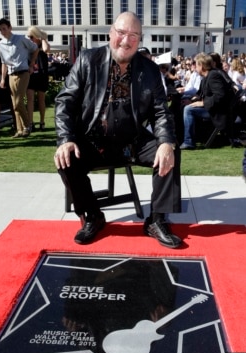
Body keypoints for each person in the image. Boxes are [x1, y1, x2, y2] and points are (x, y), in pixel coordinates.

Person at [54, 11, 182, 249]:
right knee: (66, 157)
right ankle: (93, 215)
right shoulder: (87, 60)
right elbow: (65, 101)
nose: (126, 40)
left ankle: (157, 219)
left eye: (133, 35)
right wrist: (65, 138)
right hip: (93, 140)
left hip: (132, 140)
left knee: (169, 151)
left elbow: (161, 111)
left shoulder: (150, 70)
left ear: (140, 39)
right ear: (110, 33)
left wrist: (165, 142)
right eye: (121, 32)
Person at [180, 52, 233, 150]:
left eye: (196, 64)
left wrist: (202, 103)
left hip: (219, 111)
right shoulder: (207, 77)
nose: (194, 66)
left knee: (188, 110)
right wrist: (192, 100)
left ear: (201, 65)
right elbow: (204, 94)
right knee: (185, 105)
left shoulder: (213, 76)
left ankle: (189, 142)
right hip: (213, 107)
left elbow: (220, 96)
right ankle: (185, 137)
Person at [0, 18, 38, 138]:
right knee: (14, 104)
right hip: (11, 75)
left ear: (10, 28)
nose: (2, 31)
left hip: (24, 72)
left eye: (4, 28)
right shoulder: (0, 44)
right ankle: (19, 130)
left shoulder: (21, 39)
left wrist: (31, 64)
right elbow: (4, 62)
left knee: (18, 102)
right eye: (0, 29)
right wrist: (3, 79)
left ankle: (27, 125)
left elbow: (35, 49)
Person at [26, 26, 50, 132]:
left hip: (41, 74)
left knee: (41, 99)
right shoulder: (28, 46)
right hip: (30, 74)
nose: (30, 39)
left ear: (36, 36)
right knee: (30, 99)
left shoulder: (42, 44)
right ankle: (30, 123)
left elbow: (46, 49)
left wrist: (43, 38)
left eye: (32, 36)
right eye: (29, 36)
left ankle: (42, 122)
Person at [0, 35, 16, 135]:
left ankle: (16, 124)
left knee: (12, 103)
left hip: (6, 80)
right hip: (0, 81)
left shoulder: (4, 54)